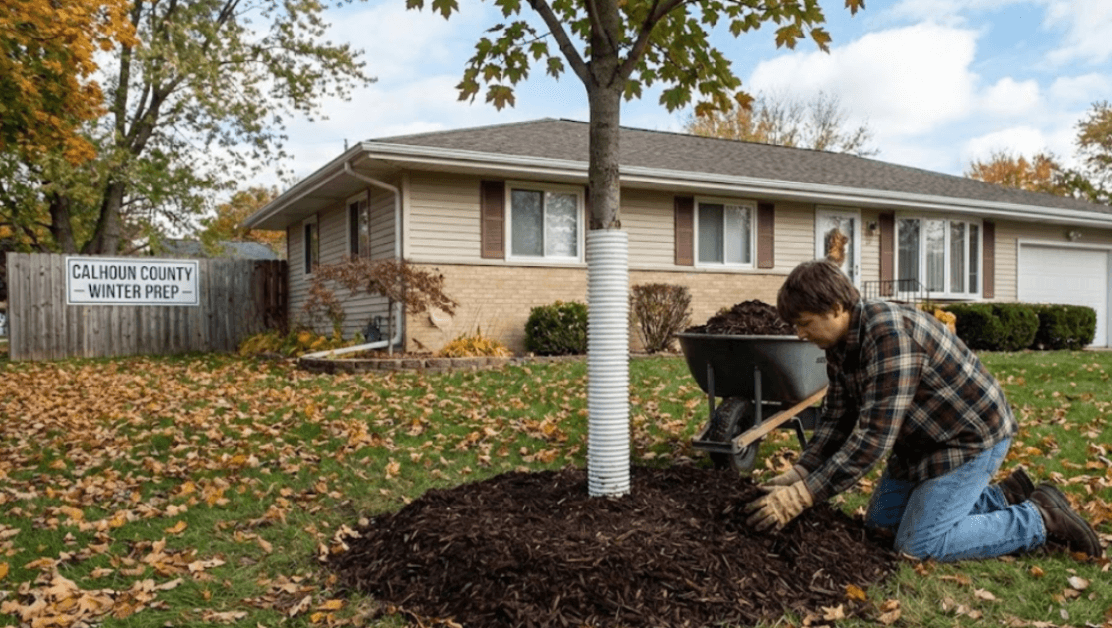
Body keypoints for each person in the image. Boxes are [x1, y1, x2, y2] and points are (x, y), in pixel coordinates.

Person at [744, 259, 1103, 561]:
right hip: (920, 443)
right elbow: (837, 419)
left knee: (918, 545)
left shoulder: (889, 336)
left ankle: (1040, 518)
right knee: (881, 528)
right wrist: (800, 472)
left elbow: (871, 440)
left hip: (968, 440)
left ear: (836, 308)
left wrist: (801, 497)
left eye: (804, 323)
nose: (799, 335)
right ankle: (1003, 497)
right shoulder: (841, 344)